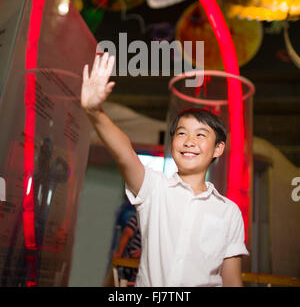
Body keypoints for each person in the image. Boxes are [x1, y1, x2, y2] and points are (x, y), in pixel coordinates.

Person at [81, 52, 249, 287]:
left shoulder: (229, 211)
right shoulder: (154, 188)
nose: (189, 141)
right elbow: (124, 153)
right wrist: (94, 112)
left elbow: (231, 279)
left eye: (201, 135)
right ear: (173, 143)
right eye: (182, 133)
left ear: (218, 149)